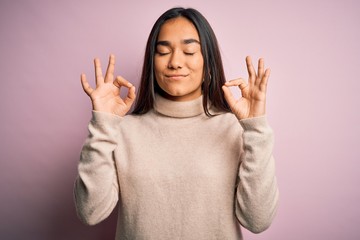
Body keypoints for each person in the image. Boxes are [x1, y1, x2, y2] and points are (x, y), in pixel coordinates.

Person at [74, 7, 279, 240]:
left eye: (189, 51)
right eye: (163, 52)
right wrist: (103, 124)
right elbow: (90, 212)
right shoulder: (122, 131)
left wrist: (256, 127)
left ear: (208, 62)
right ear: (152, 61)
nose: (175, 62)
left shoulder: (234, 129)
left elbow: (258, 220)